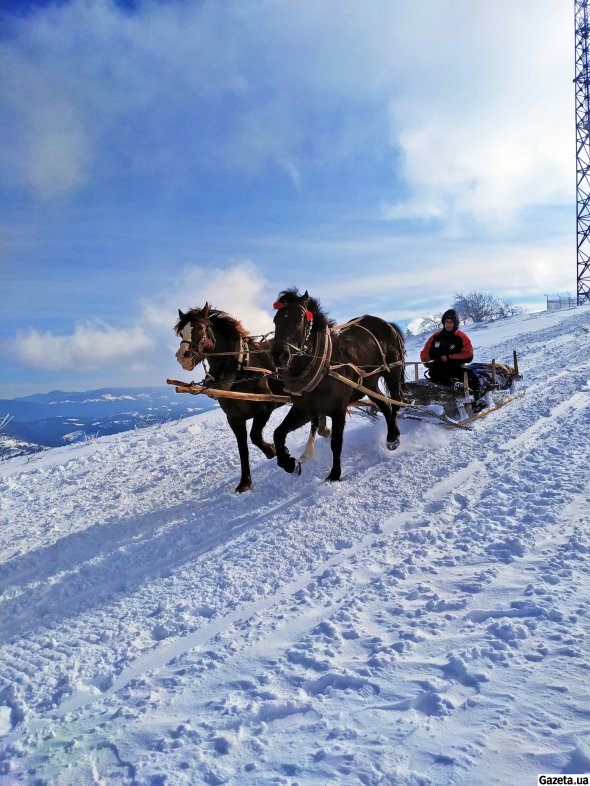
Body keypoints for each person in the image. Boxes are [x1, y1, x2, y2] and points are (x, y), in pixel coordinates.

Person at [420, 309, 474, 389]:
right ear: (443, 323)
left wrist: (449, 357)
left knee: (473, 377)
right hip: (436, 372)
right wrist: (426, 359)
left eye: (451, 322)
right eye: (446, 322)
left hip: (455, 371)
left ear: (455, 323)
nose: (448, 324)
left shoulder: (461, 337)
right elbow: (425, 351)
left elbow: (468, 355)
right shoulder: (436, 336)